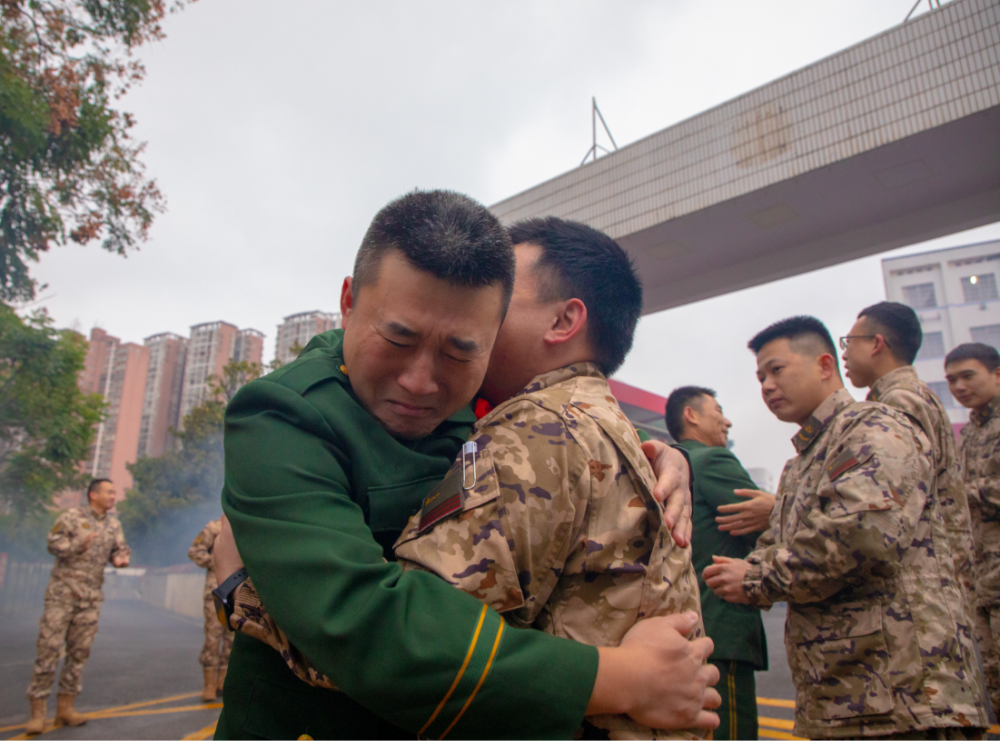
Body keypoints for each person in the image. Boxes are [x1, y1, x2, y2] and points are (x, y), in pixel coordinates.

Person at [215, 189, 718, 740]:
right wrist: (619, 679)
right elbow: (363, 628)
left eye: (463, 349)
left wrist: (663, 458)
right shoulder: (285, 412)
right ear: (348, 301)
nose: (421, 381)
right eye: (397, 337)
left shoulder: (508, 415)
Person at [704, 315, 986, 739]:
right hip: (850, 695)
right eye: (760, 376)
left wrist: (757, 576)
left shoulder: (873, 425)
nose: (766, 386)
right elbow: (779, 543)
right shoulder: (801, 463)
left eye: (777, 370)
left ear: (823, 365)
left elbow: (863, 536)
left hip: (907, 695)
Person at [841, 301, 975, 625]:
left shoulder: (898, 401)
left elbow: (887, 502)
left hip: (921, 588)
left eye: (849, 342)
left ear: (876, 343)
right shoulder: (906, 395)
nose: (843, 354)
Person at [665, 386, 767, 740]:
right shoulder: (710, 460)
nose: (727, 420)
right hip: (722, 633)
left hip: (681, 632)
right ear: (690, 415)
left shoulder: (664, 466)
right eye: (718, 410)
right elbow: (773, 527)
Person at [24, 478, 131, 735]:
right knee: (48, 650)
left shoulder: (113, 524)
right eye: (109, 491)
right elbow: (53, 543)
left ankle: (65, 709)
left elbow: (120, 548)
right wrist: (77, 546)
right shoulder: (71, 517)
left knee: (79, 653)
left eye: (114, 492)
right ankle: (38, 713)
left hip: (90, 599)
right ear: (93, 495)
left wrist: (120, 558)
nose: (113, 496)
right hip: (62, 596)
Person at [946, 342, 1000, 717]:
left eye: (968, 376)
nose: (959, 386)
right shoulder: (970, 433)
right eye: (951, 380)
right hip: (982, 580)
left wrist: (958, 493)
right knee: (993, 677)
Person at [188, 517, 233, 702]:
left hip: (237, 591)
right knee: (213, 637)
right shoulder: (213, 527)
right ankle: (209, 685)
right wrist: (217, 561)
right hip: (215, 591)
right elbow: (195, 552)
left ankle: (222, 681)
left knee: (232, 638)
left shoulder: (242, 526)